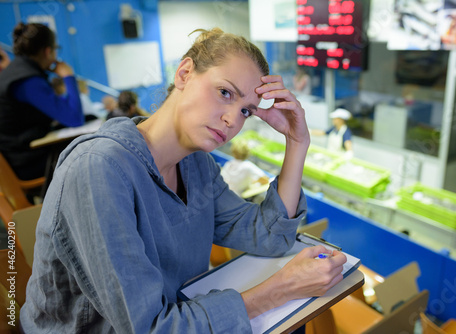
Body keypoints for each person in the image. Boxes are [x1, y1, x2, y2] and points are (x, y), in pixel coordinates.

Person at [21, 28, 347, 333]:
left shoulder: (197, 165)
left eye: (247, 110)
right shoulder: (99, 169)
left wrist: (297, 143)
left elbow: (271, 237)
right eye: (224, 92)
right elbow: (150, 327)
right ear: (184, 73)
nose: (232, 119)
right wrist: (281, 289)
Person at [0, 22, 84, 180]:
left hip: (23, 157)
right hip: (27, 164)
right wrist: (68, 76)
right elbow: (75, 118)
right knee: (89, 154)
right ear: (48, 51)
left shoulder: (18, 72)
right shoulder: (27, 80)